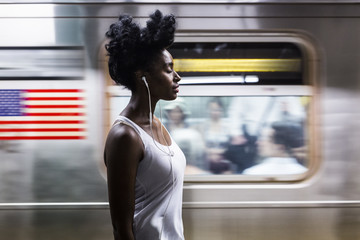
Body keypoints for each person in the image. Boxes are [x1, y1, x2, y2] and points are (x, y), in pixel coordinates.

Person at [103, 10, 185, 240]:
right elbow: (122, 229)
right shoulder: (125, 136)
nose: (177, 76)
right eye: (168, 69)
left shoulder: (157, 125)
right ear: (143, 76)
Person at [243, 121, 307, 175]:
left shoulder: (251, 173)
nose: (258, 142)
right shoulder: (304, 173)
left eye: (263, 139)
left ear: (280, 147)